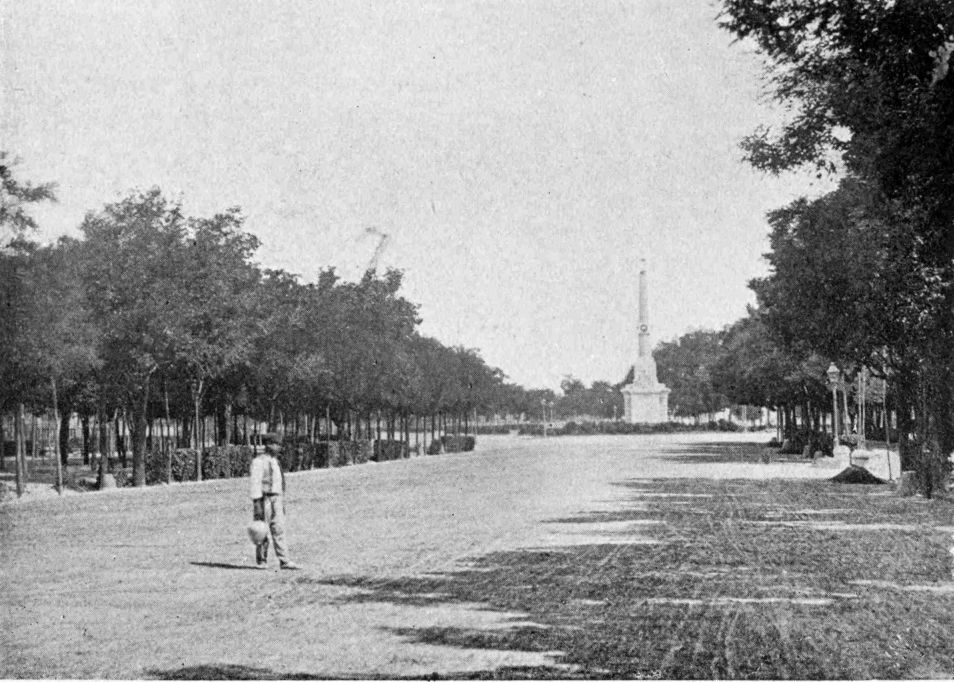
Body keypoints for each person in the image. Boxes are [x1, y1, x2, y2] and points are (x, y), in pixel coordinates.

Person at [250, 434, 300, 570]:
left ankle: (284, 560)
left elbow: (280, 483)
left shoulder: (276, 461)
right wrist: (257, 504)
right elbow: (255, 484)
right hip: (264, 498)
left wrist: (281, 502)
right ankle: (262, 561)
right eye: (275, 444)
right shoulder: (259, 461)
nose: (278, 447)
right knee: (262, 530)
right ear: (268, 445)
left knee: (279, 528)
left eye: (279, 444)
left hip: (276, 499)